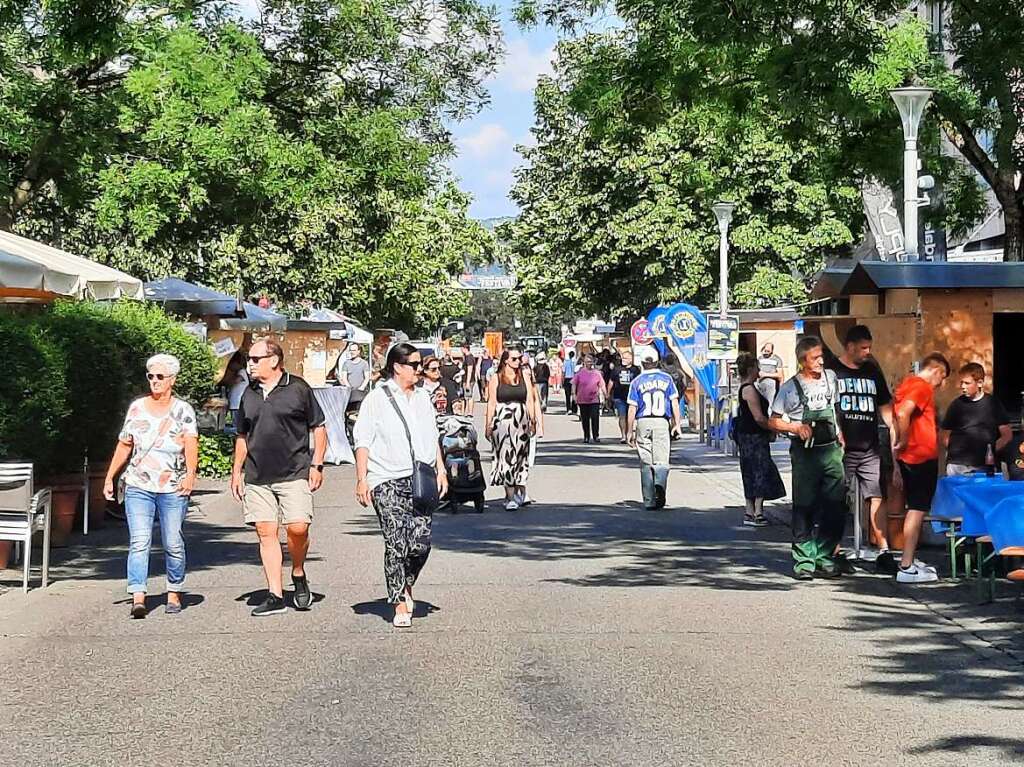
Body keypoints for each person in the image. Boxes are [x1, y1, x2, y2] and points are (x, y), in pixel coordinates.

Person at [231, 340, 328, 617]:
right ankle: (274, 593)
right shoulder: (247, 394)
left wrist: (317, 464)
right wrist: (236, 471)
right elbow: (242, 436)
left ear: (273, 360)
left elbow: (319, 428)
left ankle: (297, 572)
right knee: (265, 532)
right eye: (249, 359)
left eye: (254, 359)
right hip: (257, 474)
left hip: (294, 470)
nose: (249, 364)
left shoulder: (298, 388)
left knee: (298, 528)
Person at [353, 343, 448, 628]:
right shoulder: (376, 399)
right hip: (386, 479)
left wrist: (440, 469)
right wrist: (362, 479)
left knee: (421, 543)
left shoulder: (422, 397)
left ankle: (405, 582)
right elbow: (363, 440)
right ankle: (398, 601)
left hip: (421, 477)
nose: (420, 370)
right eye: (415, 365)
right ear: (397, 366)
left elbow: (432, 436)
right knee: (396, 543)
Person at [104, 354, 199, 619]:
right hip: (138, 484)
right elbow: (125, 444)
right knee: (139, 542)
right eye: (151, 376)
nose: (154, 381)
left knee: (173, 542)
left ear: (172, 380)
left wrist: (191, 474)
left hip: (173, 485)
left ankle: (174, 591)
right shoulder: (137, 407)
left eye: (160, 377)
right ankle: (138, 596)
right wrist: (110, 476)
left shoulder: (183, 410)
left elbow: (191, 444)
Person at [769, 337, 846, 580]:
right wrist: (795, 428)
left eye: (821, 356)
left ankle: (825, 557)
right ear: (803, 361)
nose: (821, 361)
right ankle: (804, 560)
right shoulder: (790, 388)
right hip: (805, 453)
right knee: (805, 506)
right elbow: (773, 420)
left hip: (831, 450)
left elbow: (835, 409)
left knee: (835, 505)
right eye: (815, 358)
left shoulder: (831, 378)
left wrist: (840, 433)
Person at [827, 325, 898, 573]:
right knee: (836, 499)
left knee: (876, 496)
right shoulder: (832, 371)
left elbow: (885, 406)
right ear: (849, 347)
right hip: (842, 448)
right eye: (863, 348)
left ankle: (884, 550)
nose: (868, 352)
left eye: (869, 347)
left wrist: (893, 430)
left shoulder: (872, 371)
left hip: (870, 446)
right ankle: (833, 550)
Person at [892, 353, 950, 583]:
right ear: (935, 370)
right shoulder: (921, 387)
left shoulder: (905, 384)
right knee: (917, 510)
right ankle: (906, 565)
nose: (941, 384)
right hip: (920, 457)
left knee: (914, 509)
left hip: (908, 457)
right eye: (942, 377)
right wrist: (905, 439)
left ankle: (909, 559)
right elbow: (902, 413)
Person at [626, 348, 683, 509]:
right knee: (662, 459)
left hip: (643, 421)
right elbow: (674, 402)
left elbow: (632, 408)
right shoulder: (667, 379)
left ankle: (649, 500)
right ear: (657, 361)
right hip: (661, 422)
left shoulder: (636, 381)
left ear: (642, 363)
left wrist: (629, 431)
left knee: (645, 462)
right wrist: (677, 424)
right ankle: (660, 482)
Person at [734, 352, 786, 527]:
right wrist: (774, 427)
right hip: (754, 437)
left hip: (746, 436)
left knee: (750, 471)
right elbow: (758, 417)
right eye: (757, 367)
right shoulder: (749, 389)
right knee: (760, 470)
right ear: (750, 369)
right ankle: (757, 512)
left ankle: (750, 511)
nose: (759, 371)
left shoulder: (745, 387)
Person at [485, 349, 537, 510]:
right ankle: (510, 496)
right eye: (514, 358)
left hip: (521, 421)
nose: (518, 361)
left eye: (520, 358)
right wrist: (488, 425)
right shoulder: (496, 377)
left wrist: (533, 420)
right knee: (506, 457)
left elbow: (530, 399)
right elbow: (492, 402)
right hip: (503, 421)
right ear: (506, 361)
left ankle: (521, 490)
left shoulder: (524, 377)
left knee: (521, 457)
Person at [941, 363, 1012, 476]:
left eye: (967, 383)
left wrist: (991, 451)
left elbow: (1007, 435)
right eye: (961, 383)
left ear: (979, 383)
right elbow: (945, 435)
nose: (963, 386)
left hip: (984, 465)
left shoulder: (993, 404)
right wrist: (956, 452)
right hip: (958, 465)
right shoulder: (956, 405)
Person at [608, 350, 641, 443]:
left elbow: (639, 382)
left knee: (631, 416)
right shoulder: (617, 369)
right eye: (622, 358)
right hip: (619, 396)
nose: (623, 360)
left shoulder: (636, 370)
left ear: (631, 359)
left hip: (632, 397)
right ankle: (623, 435)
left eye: (626, 358)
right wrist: (608, 393)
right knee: (622, 416)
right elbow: (611, 381)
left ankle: (630, 433)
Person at [574, 354, 606, 443]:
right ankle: (586, 436)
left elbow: (602, 384)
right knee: (585, 419)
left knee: (595, 418)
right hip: (582, 399)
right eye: (587, 362)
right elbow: (574, 384)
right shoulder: (580, 373)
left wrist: (605, 394)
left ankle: (596, 435)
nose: (589, 363)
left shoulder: (597, 373)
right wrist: (574, 395)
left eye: (590, 362)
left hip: (594, 399)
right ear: (584, 363)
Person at [461, 344, 477, 414]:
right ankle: (464, 412)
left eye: (461, 349)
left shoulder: (469, 358)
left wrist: (467, 382)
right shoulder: (467, 357)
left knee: (468, 396)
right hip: (467, 379)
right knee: (465, 396)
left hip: (468, 380)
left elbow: (470, 370)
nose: (461, 350)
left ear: (465, 348)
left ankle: (470, 412)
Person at [563, 350, 577, 414]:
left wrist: (562, 380)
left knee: (567, 395)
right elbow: (575, 371)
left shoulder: (566, 362)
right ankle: (574, 409)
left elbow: (563, 371)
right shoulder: (575, 362)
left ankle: (568, 409)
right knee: (574, 394)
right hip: (573, 379)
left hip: (567, 379)